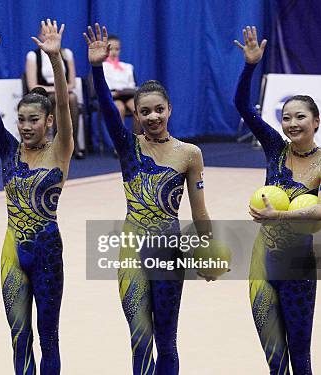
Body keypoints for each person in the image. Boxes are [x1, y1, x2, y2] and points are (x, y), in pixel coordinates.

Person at [84, 24, 213, 374]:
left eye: (159, 109)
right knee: (140, 339)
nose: (153, 117)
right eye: (145, 112)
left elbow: (199, 211)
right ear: (137, 116)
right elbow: (111, 114)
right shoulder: (129, 147)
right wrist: (96, 68)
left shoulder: (189, 154)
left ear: (169, 109)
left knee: (166, 340)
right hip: (133, 249)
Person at [0, 19, 74, 374]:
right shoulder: (9, 151)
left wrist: (55, 60)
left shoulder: (61, 149)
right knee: (19, 336)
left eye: (34, 119)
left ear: (48, 122)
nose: (26, 126)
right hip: (13, 252)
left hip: (48, 251)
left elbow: (63, 102)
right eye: (21, 119)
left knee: (49, 336)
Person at [235, 25, 321, 375]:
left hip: (298, 268)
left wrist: (276, 218)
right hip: (262, 265)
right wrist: (250, 66)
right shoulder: (275, 150)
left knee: (301, 359)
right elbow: (243, 107)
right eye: (286, 117)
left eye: (300, 117)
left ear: (317, 121)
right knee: (275, 361)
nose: (292, 123)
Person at [25, 24, 83, 159]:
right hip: (42, 92)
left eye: (52, 34)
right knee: (58, 98)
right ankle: (58, 144)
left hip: (64, 91)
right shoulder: (33, 56)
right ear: (40, 36)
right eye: (45, 34)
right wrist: (57, 90)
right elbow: (32, 85)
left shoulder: (66, 54)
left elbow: (72, 83)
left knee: (72, 98)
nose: (49, 37)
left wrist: (61, 90)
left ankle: (70, 143)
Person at [103, 34, 138, 133]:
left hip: (127, 94)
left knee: (138, 110)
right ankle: (121, 143)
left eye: (117, 49)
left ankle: (136, 140)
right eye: (111, 49)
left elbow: (132, 85)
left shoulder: (128, 67)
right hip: (112, 95)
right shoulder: (102, 66)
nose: (114, 52)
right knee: (120, 108)